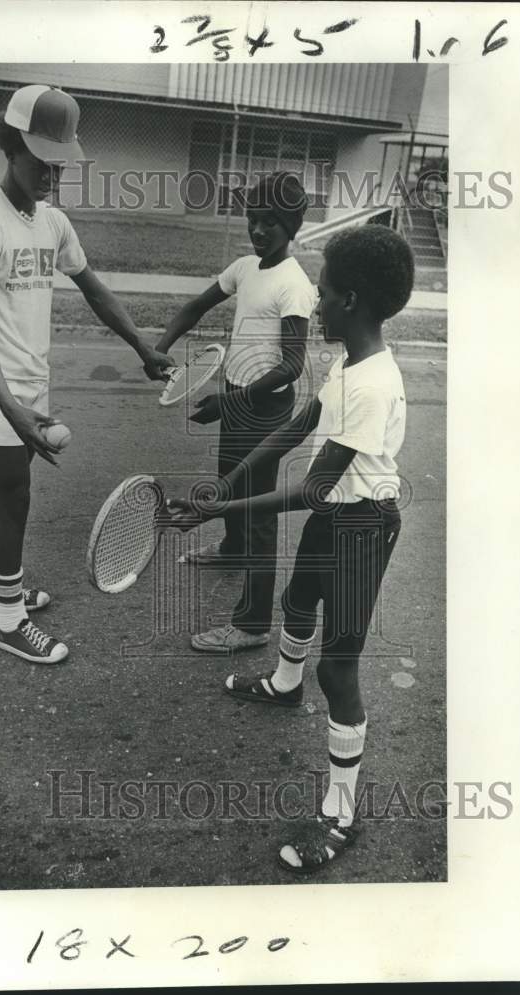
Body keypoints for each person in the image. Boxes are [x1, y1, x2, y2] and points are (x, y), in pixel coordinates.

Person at [169, 225, 414, 874]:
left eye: (326, 293)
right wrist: (219, 488)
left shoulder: (371, 384)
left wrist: (220, 510)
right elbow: (295, 428)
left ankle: (340, 812)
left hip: (361, 526)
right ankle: (282, 684)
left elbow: (310, 489)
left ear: (351, 301)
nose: (318, 302)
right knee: (295, 600)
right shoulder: (346, 363)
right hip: (335, 515)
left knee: (338, 669)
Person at [0, 84, 172, 664]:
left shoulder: (52, 223)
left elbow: (94, 291)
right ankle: (8, 619)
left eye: (60, 161)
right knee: (14, 493)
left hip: (29, 376)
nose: (52, 172)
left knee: (4, 486)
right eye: (41, 159)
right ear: (11, 145)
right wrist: (9, 407)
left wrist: (143, 348)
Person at [157, 172, 316, 654]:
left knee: (260, 515)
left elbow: (291, 365)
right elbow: (195, 307)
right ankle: (230, 549)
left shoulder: (294, 284)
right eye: (253, 218)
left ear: (291, 227)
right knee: (229, 475)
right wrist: (160, 349)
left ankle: (252, 625)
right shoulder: (246, 267)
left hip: (264, 410)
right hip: (238, 397)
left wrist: (229, 402)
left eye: (271, 222)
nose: (259, 229)